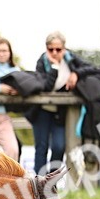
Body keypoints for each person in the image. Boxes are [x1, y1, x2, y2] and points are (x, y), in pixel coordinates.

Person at [29, 31, 84, 174]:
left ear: (64, 49)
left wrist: (76, 73)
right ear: (46, 48)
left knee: (59, 146)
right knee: (41, 147)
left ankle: (51, 183)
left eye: (58, 49)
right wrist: (54, 67)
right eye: (51, 49)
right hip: (42, 111)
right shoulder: (42, 62)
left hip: (60, 113)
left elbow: (88, 68)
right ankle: (39, 183)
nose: (54, 52)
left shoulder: (71, 59)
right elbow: (46, 87)